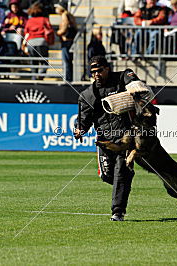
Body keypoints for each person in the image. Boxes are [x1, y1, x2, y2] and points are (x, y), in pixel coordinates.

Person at [74, 56, 141, 221]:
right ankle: (124, 183)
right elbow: (84, 119)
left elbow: (133, 80)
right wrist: (80, 129)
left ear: (107, 68)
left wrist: (134, 86)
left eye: (99, 70)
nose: (96, 74)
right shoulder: (88, 95)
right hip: (104, 140)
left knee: (120, 173)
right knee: (107, 175)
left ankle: (118, 212)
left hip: (125, 137)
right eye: (93, 72)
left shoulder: (121, 79)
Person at [23, 2, 54, 80]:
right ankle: (41, 76)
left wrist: (23, 44)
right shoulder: (44, 19)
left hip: (30, 43)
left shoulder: (29, 21)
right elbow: (50, 30)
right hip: (41, 42)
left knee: (33, 62)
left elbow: (26, 33)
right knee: (44, 62)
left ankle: (34, 78)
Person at [55, 1, 77, 82]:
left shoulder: (64, 15)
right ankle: (69, 77)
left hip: (66, 41)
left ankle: (68, 79)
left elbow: (64, 27)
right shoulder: (70, 15)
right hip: (70, 41)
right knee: (69, 61)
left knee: (66, 61)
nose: (56, 9)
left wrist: (57, 33)